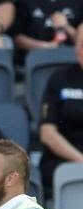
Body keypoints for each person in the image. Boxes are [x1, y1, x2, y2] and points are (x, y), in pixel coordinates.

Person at [38, 27, 83, 196]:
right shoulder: (60, 78)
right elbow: (47, 133)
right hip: (63, 160)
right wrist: (81, 162)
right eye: (81, 45)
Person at [12, 0, 81, 56]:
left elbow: (81, 40)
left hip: (72, 59)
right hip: (36, 61)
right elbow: (17, 39)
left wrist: (67, 27)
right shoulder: (26, 2)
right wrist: (46, 47)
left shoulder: (78, 3)